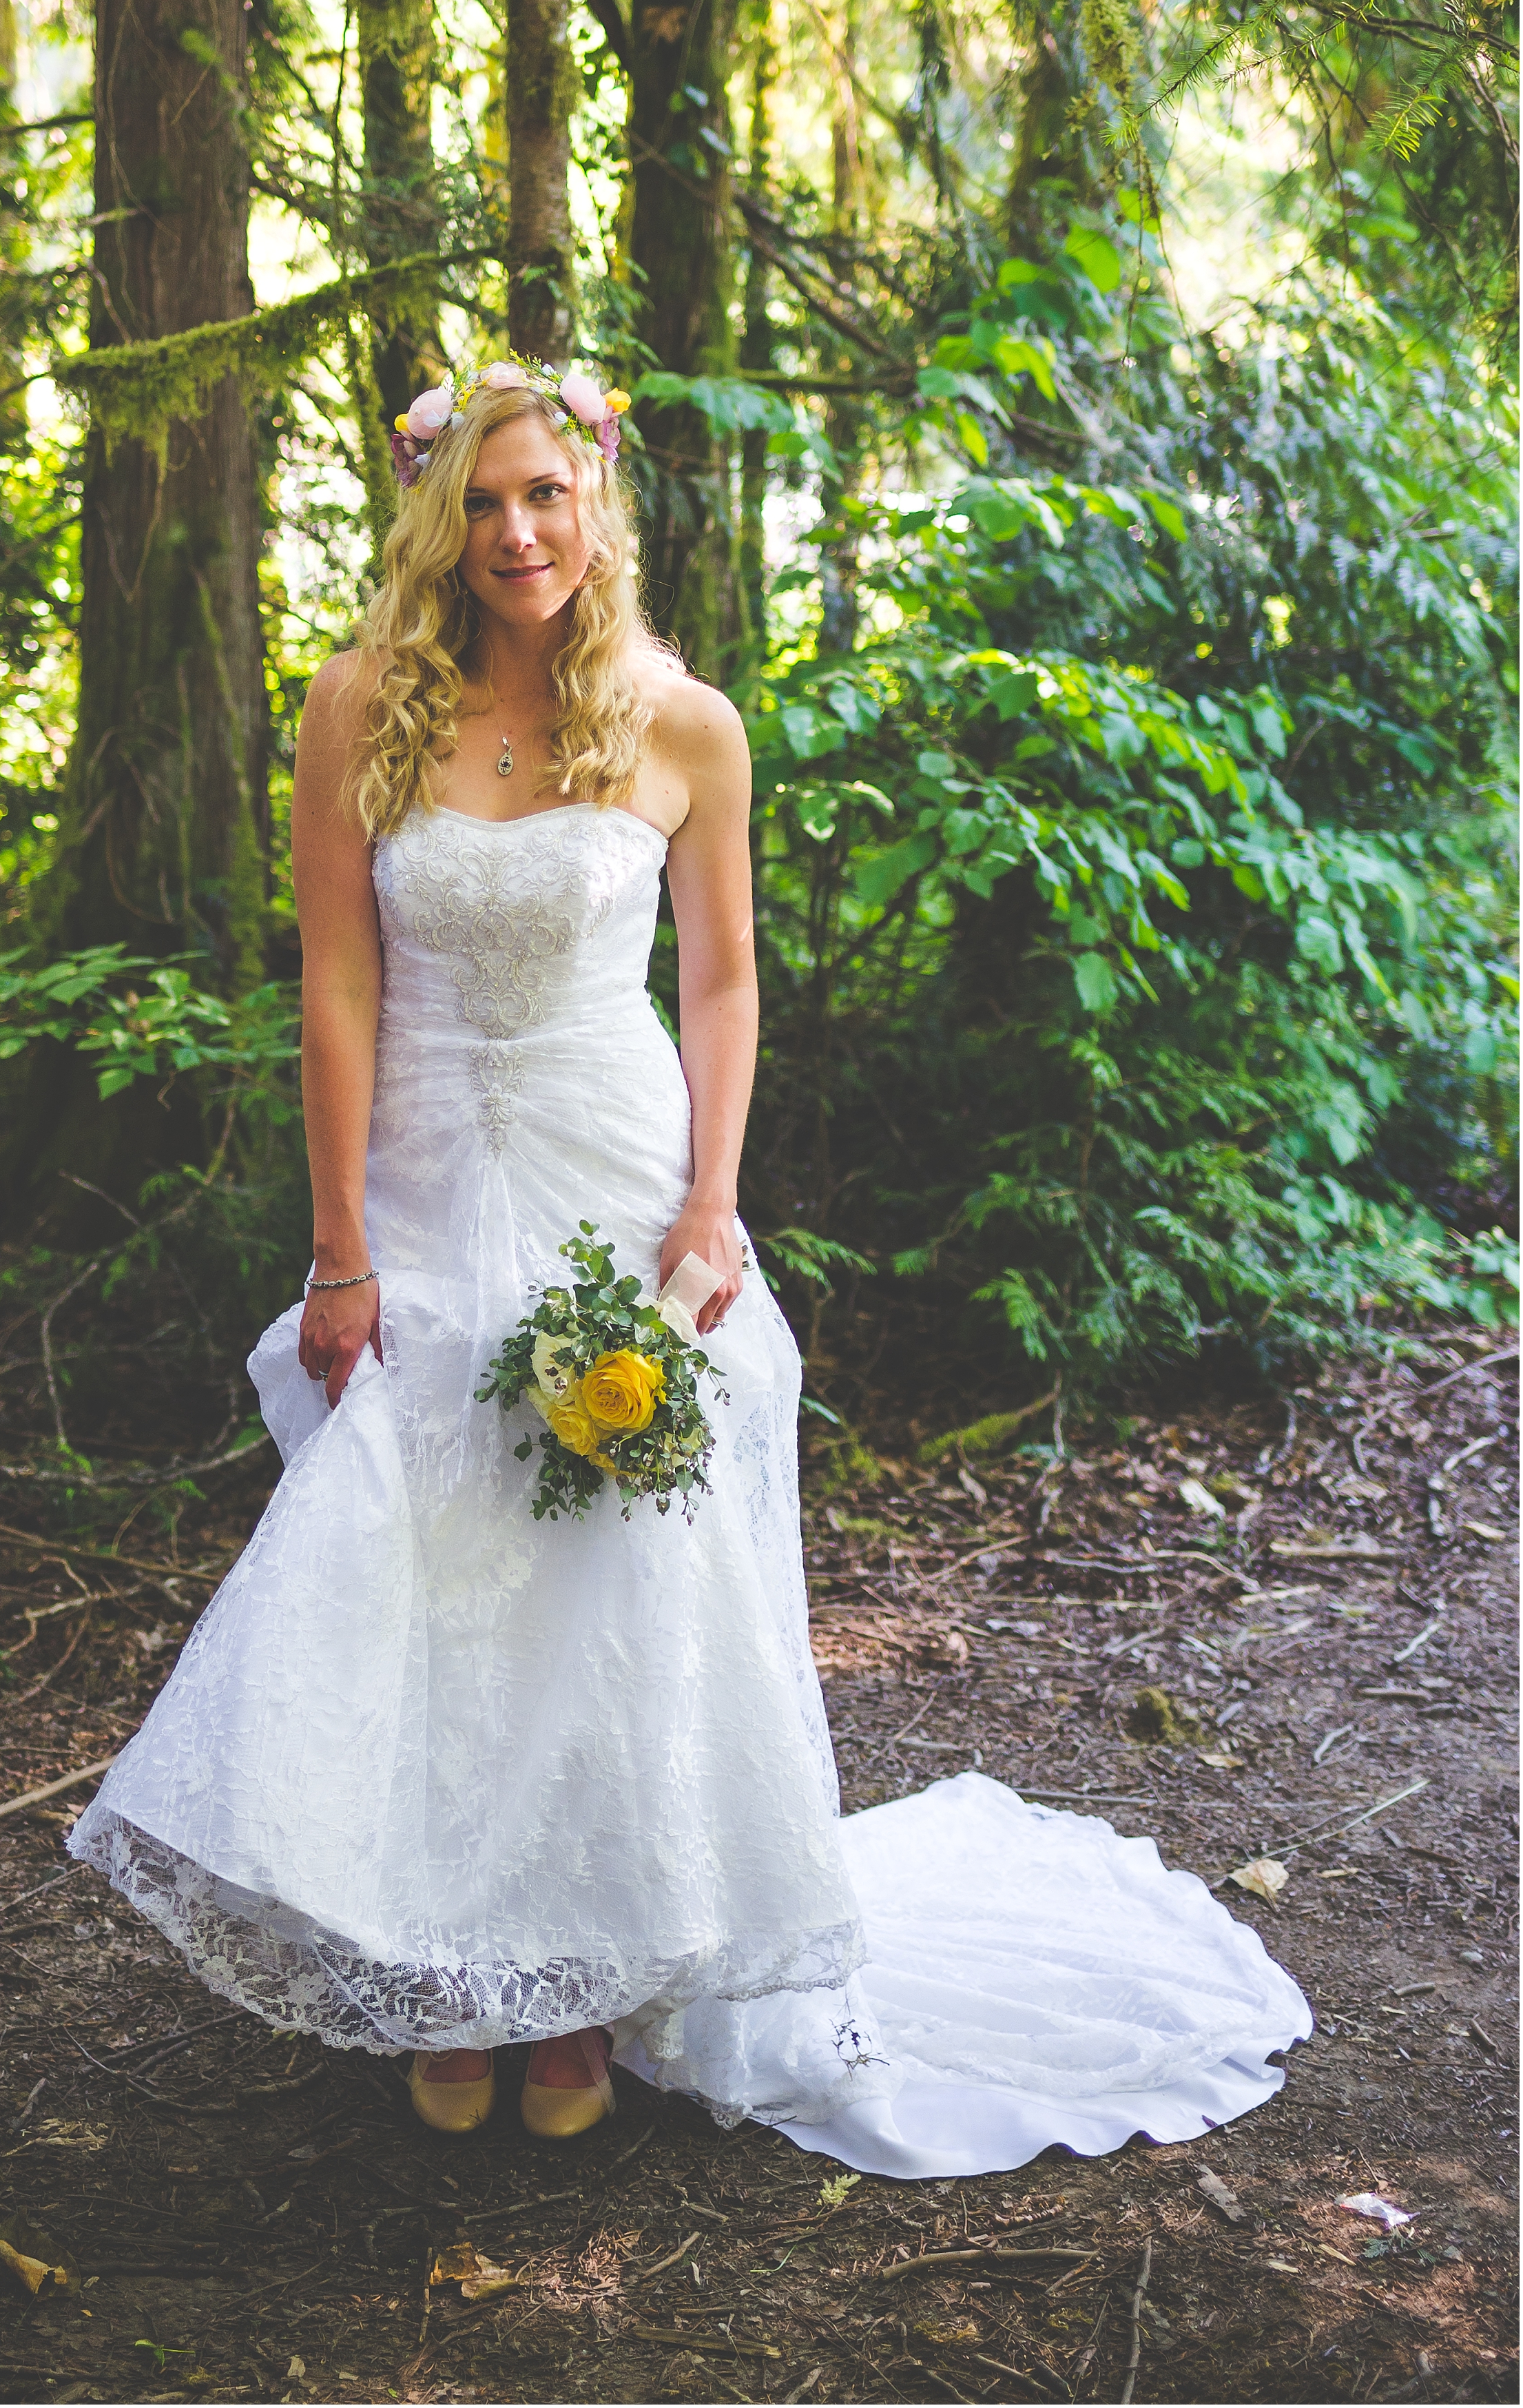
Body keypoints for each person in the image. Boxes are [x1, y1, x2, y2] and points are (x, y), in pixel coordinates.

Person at [72, 357, 1309, 2173]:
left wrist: (712, 1204)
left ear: (596, 512)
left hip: (612, 1166)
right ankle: (448, 1957)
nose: (514, 535)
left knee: (597, 1552)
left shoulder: (681, 722)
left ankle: (576, 1982)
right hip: (418, 1174)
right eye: (480, 503)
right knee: (418, 1544)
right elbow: (333, 982)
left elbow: (722, 980)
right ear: (433, 515)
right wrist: (336, 1246)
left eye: (544, 500)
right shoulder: (358, 709)